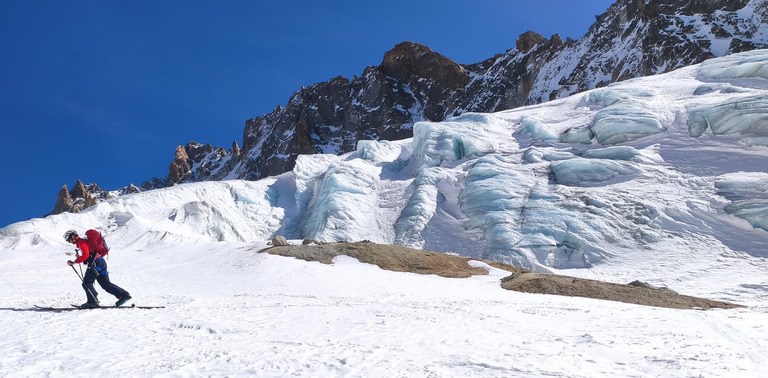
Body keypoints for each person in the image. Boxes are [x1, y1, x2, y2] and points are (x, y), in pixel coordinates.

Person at [64, 230, 132, 308]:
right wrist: (81, 259)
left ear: (72, 236)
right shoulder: (84, 241)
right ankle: (123, 295)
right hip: (101, 262)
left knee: (86, 283)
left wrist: (74, 262)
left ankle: (92, 301)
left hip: (95, 264)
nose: (69, 242)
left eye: (68, 239)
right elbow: (89, 255)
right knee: (105, 284)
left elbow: (86, 256)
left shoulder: (81, 242)